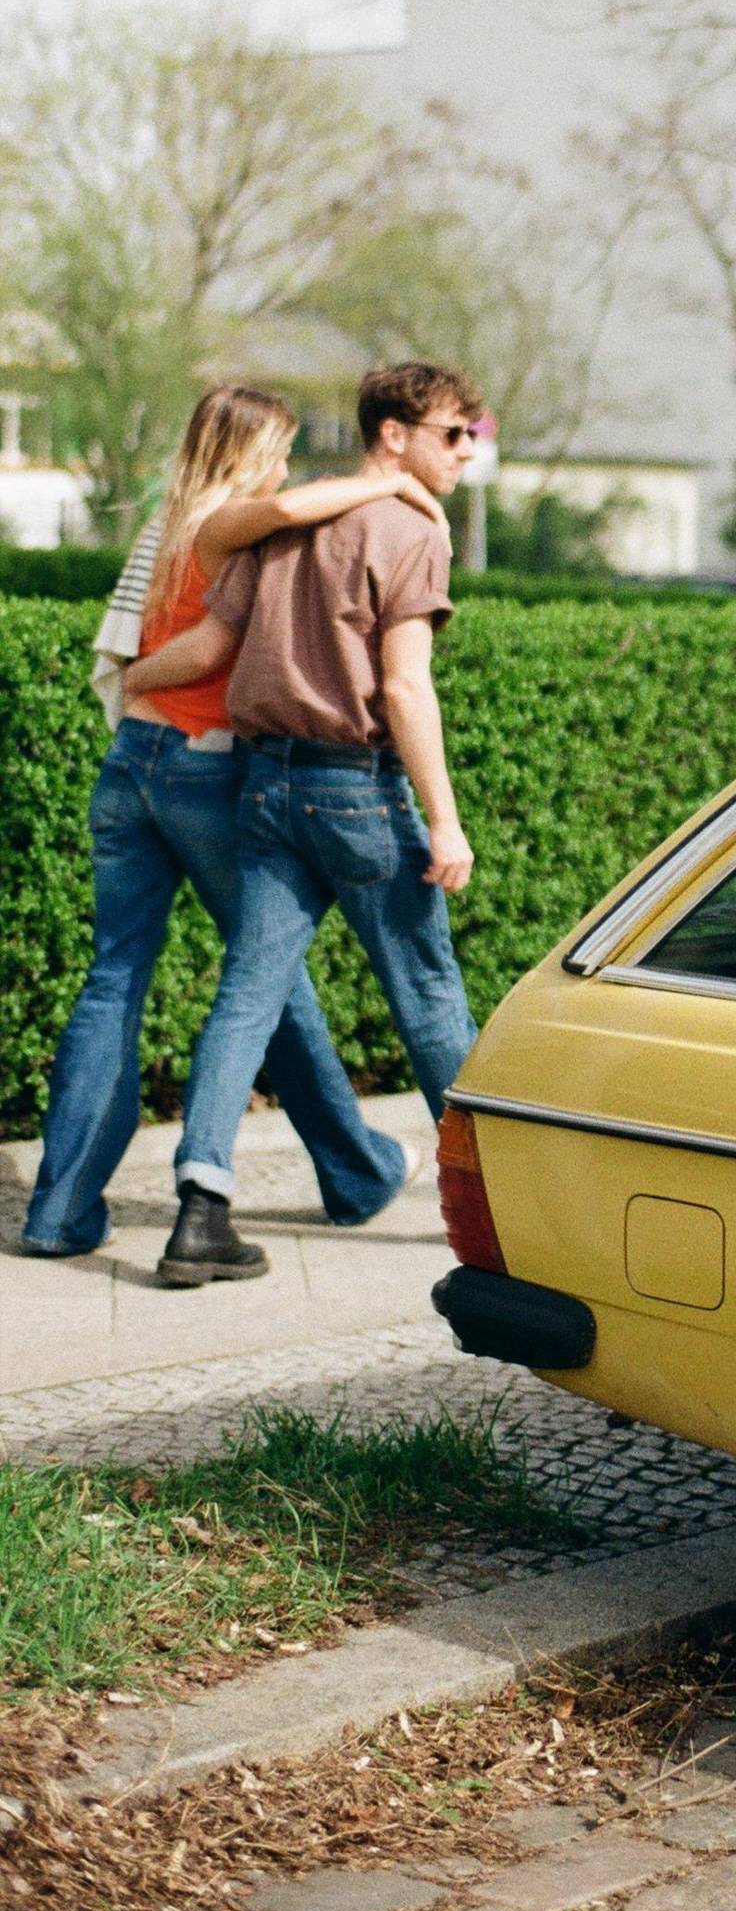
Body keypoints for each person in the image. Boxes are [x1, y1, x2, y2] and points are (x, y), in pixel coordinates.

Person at [22, 386, 443, 1266]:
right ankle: (355, 1171)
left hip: (128, 769)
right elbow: (272, 536)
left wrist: (132, 686)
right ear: (245, 452)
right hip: (200, 770)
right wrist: (392, 484)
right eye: (278, 449)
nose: (285, 468)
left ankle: (58, 1215)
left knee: (115, 981)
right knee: (266, 981)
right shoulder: (224, 521)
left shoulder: (164, 524)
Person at [125, 361, 483, 1284]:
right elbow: (405, 687)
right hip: (357, 791)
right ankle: (498, 1203)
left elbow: (211, 643)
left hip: (266, 788)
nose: (466, 452)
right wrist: (445, 821)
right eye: (453, 433)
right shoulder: (410, 530)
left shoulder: (283, 524)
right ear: (394, 434)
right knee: (427, 993)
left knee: (248, 994)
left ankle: (201, 1207)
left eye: (472, 436)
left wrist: (129, 678)